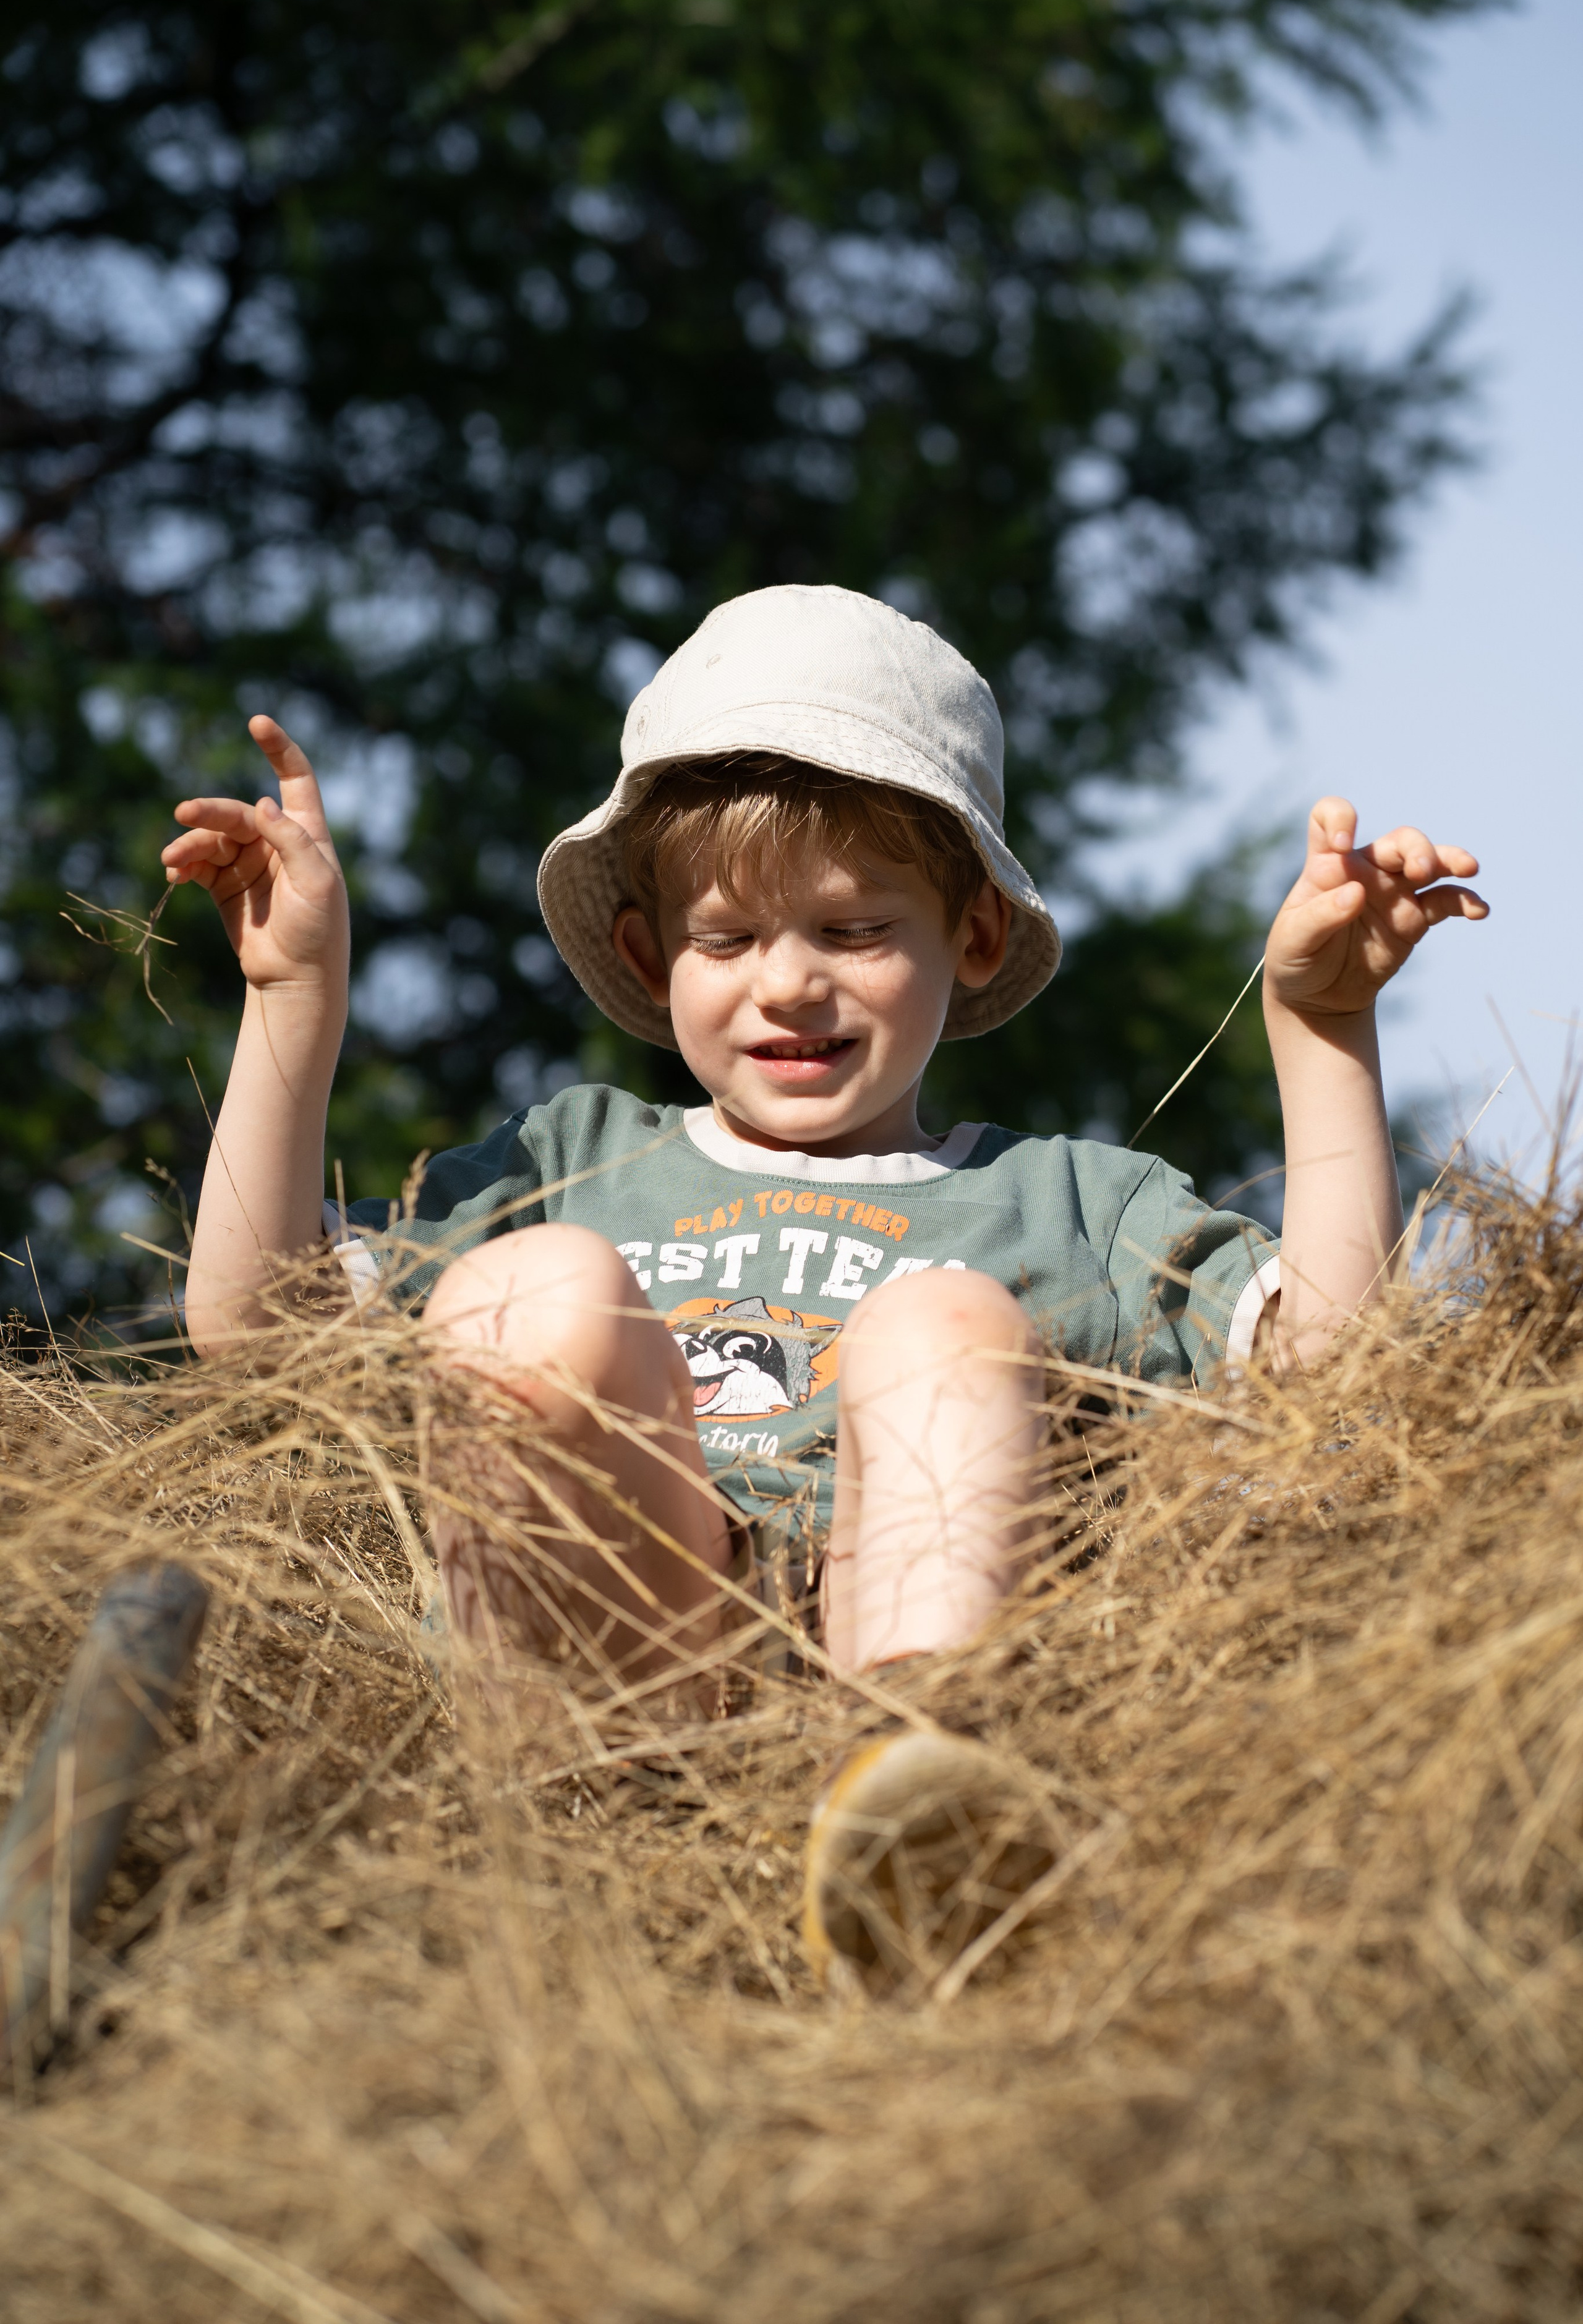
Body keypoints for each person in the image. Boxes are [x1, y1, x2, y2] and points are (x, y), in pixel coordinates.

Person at [161, 585, 1486, 1993]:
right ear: (645, 957)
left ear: (968, 941)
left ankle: (917, 1800)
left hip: (888, 1672)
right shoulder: (564, 1161)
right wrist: (290, 1003)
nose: (786, 986)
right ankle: (522, 1837)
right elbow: (257, 1327)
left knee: (943, 1318)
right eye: (726, 940)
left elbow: (1332, 1380)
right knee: (522, 1293)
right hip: (614, 1697)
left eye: (852, 931)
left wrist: (1323, 1029)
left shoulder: (1066, 1202)